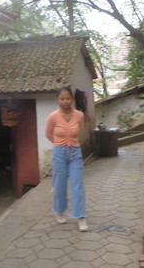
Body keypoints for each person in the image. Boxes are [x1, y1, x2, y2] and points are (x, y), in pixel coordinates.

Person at [45, 86, 88, 232]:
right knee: (59, 184)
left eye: (68, 98)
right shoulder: (53, 117)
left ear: (72, 99)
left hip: (75, 153)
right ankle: (59, 211)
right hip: (59, 154)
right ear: (57, 100)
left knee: (77, 185)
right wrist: (59, 144)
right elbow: (48, 134)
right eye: (62, 99)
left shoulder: (79, 115)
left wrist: (71, 143)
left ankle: (80, 216)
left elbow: (78, 130)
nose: (65, 101)